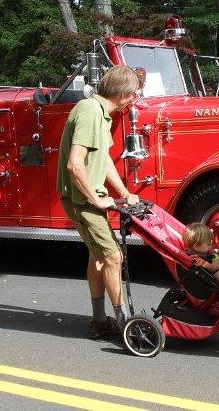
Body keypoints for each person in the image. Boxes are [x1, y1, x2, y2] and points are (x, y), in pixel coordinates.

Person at [57, 65, 142, 339]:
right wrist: (96, 199)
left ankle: (98, 321)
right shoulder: (90, 112)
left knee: (98, 255)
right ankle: (123, 323)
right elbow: (75, 164)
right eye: (135, 95)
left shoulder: (102, 114)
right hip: (82, 200)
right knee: (113, 256)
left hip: (89, 198)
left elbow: (103, 160)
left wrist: (124, 191)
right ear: (124, 95)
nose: (135, 100)